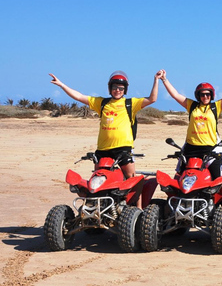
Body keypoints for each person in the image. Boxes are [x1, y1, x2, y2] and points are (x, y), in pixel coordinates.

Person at [49, 70, 161, 207]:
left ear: (125, 89)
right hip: (103, 150)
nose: (117, 90)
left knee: (133, 180)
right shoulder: (101, 103)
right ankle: (98, 208)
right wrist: (61, 85)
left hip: (123, 149)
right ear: (110, 88)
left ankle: (138, 211)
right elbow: (79, 97)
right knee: (98, 181)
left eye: (121, 88)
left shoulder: (130, 103)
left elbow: (152, 99)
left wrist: (156, 80)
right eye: (114, 87)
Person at [158, 69, 222, 179]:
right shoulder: (192, 106)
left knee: (216, 179)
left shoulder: (216, 107)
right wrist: (164, 79)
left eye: (208, 94)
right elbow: (175, 95)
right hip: (191, 148)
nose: (205, 97)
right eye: (202, 95)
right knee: (180, 179)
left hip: (210, 148)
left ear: (212, 95)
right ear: (198, 96)